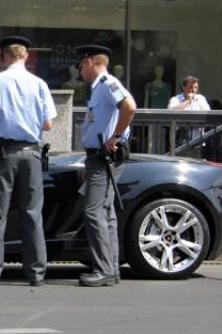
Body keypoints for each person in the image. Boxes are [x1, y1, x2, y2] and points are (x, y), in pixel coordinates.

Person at [0, 35, 57, 287]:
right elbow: (48, 124)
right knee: (32, 213)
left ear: (4, 56)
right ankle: (36, 274)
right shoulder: (39, 84)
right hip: (31, 153)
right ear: (26, 55)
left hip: (3, 155)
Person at [76, 45, 136, 287]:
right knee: (106, 212)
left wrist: (116, 136)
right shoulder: (98, 88)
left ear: (90, 62)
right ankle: (110, 269)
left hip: (104, 157)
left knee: (93, 210)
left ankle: (103, 270)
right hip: (98, 157)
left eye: (81, 65)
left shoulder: (108, 83)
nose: (80, 71)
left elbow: (129, 106)